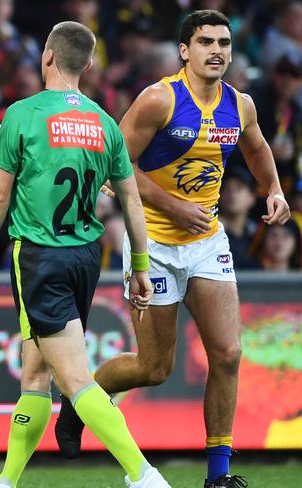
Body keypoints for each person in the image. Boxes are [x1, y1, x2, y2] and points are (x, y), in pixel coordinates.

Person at [55, 10, 291, 488]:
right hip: (154, 244)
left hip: (206, 243)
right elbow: (111, 163)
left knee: (227, 353)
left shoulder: (240, 104)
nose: (217, 51)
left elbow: (258, 148)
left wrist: (274, 189)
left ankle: (218, 475)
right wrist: (174, 206)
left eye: (224, 42)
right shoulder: (160, 99)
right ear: (185, 50)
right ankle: (80, 397)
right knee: (153, 367)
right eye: (206, 42)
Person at [0, 21, 170, 488]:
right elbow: (132, 200)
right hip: (85, 257)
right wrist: (140, 265)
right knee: (36, 371)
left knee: (76, 379)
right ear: (89, 64)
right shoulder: (104, 122)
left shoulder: (23, 114)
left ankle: (143, 474)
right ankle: (7, 481)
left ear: (48, 58)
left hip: (40, 256)